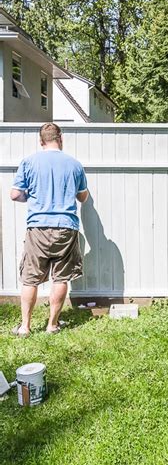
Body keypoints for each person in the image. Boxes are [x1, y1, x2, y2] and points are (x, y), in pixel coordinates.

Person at [10, 123, 89, 336]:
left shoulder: (29, 162)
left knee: (30, 278)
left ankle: (25, 327)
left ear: (41, 140)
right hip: (66, 227)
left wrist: (33, 197)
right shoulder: (74, 165)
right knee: (61, 278)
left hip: (37, 227)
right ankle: (52, 325)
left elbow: (15, 194)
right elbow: (83, 196)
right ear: (60, 138)